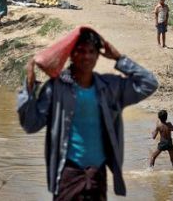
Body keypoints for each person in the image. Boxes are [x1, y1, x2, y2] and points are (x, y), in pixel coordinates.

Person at [18, 28, 158, 199]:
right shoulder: (55, 89)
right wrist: (29, 89)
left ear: (98, 56)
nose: (87, 56)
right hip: (67, 175)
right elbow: (30, 125)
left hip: (97, 175)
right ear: (71, 55)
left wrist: (119, 58)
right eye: (81, 51)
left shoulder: (109, 88)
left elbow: (148, 84)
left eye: (92, 51)